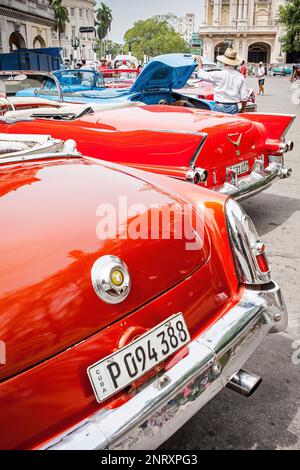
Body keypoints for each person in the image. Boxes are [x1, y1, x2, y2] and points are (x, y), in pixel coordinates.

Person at [196, 48, 248, 114]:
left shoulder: (218, 74)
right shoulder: (240, 76)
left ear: (224, 62)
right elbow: (244, 97)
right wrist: (242, 109)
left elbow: (201, 74)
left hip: (219, 106)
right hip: (233, 107)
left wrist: (200, 63)